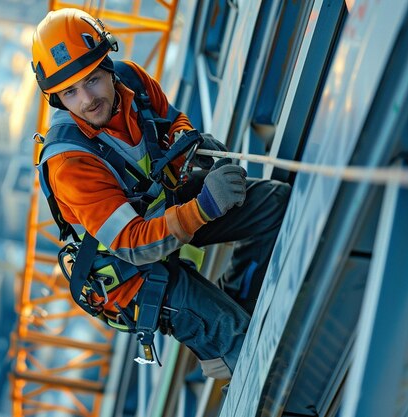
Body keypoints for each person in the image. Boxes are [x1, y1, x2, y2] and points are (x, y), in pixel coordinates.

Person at [31, 8, 291, 380]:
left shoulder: (132, 81)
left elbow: (171, 120)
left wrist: (189, 145)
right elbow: (133, 244)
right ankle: (229, 350)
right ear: (56, 99)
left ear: (108, 65)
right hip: (129, 273)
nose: (87, 99)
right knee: (245, 345)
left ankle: (235, 298)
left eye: (91, 80)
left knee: (273, 205)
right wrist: (205, 207)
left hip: (163, 212)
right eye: (70, 92)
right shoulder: (70, 164)